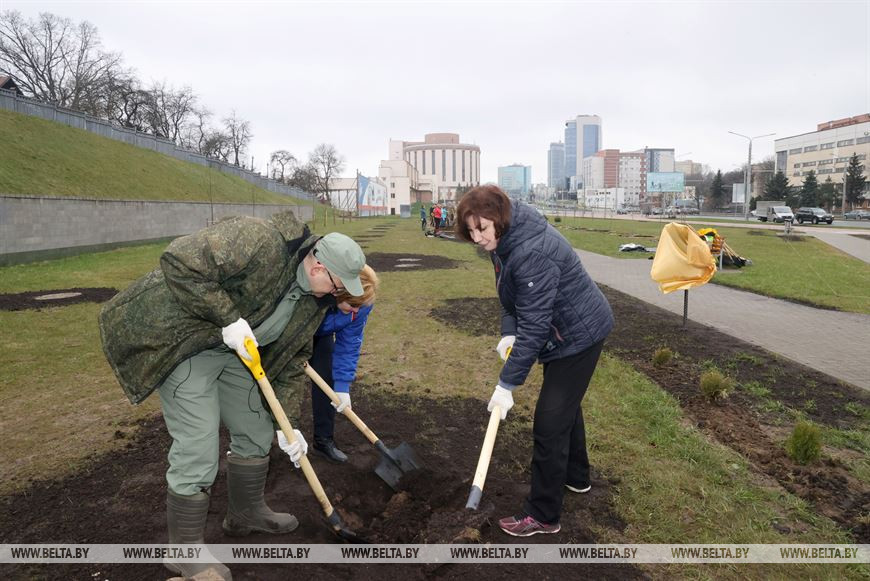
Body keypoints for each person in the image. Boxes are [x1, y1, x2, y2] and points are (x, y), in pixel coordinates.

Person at [98, 211, 366, 580]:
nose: (337, 293)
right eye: (338, 284)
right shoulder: (260, 241)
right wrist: (228, 318)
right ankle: (184, 552)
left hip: (234, 355)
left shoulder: (312, 302)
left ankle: (244, 514)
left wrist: (286, 427)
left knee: (255, 430)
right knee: (198, 444)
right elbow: (180, 261)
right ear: (318, 266)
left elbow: (292, 362)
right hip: (185, 341)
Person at [455, 185, 613, 538]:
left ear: (498, 218)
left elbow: (536, 325)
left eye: (481, 228)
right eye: (471, 231)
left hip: (578, 336)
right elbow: (511, 298)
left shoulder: (530, 252)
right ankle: (576, 476)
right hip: (564, 332)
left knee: (549, 423)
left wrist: (506, 384)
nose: (477, 238)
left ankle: (543, 514)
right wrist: (507, 332)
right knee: (565, 408)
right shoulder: (505, 241)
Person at [309, 265, 379, 462]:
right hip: (290, 333)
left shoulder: (362, 304)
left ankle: (323, 441)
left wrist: (342, 386)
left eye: (359, 306)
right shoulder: (317, 294)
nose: (355, 310)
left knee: (327, 381)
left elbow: (349, 343)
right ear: (337, 292)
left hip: (320, 336)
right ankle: (263, 440)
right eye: (351, 305)